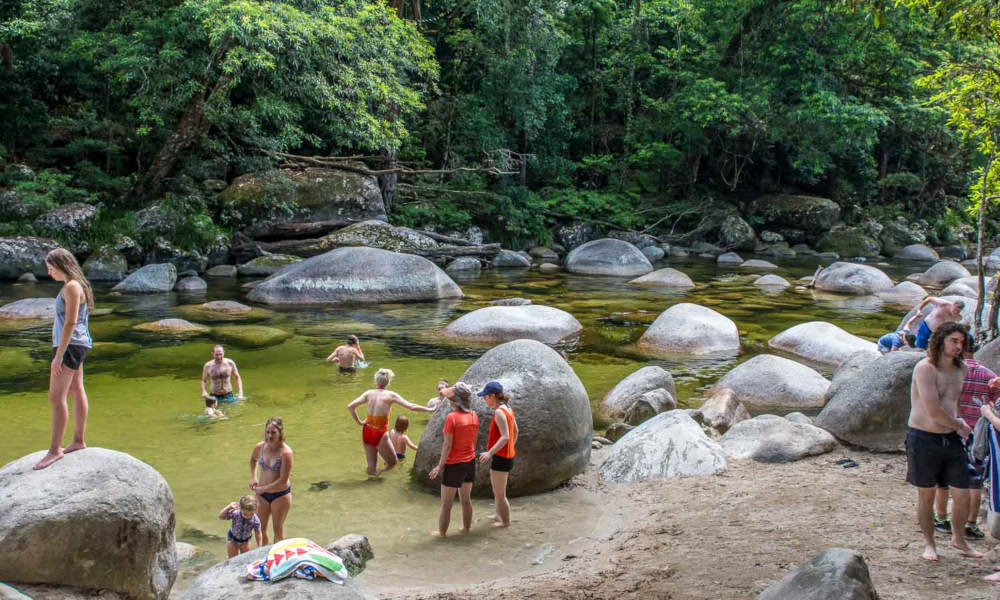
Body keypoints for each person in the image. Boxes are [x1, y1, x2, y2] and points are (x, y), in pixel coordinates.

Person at [906, 322, 980, 561]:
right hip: (923, 437)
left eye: (962, 342)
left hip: (951, 438)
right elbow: (933, 411)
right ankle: (929, 544)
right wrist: (960, 425)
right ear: (941, 340)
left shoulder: (961, 369)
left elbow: (953, 403)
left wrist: (958, 424)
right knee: (926, 494)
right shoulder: (925, 368)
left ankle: (959, 539)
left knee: (963, 492)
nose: (959, 346)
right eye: (954, 341)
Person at [932, 336, 1000, 540]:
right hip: (977, 437)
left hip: (950, 431)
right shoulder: (989, 375)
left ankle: (942, 519)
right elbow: (995, 406)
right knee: (974, 482)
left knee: (943, 479)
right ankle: (970, 525)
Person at [34, 248, 94, 470]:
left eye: (51, 269)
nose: (49, 273)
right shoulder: (78, 285)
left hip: (70, 346)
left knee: (55, 397)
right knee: (76, 391)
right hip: (78, 344)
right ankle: (78, 441)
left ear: (61, 265)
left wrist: (58, 356)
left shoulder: (71, 287)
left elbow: (69, 322)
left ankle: (54, 450)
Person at [347, 368, 434, 476]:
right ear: (388, 382)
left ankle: (371, 482)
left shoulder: (368, 393)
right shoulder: (390, 395)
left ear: (376, 381)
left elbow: (350, 406)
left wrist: (359, 422)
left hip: (367, 430)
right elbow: (412, 406)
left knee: (371, 466)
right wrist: (430, 409)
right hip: (380, 432)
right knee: (392, 463)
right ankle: (379, 475)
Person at [429, 382, 479, 537]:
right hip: (470, 462)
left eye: (450, 398)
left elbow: (447, 444)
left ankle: (442, 533)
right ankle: (466, 529)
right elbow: (474, 441)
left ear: (455, 401)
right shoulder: (473, 415)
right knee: (466, 500)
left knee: (446, 505)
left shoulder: (451, 418)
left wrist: (440, 465)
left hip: (454, 465)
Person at [477, 381, 518, 528]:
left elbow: (506, 436)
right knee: (497, 490)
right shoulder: (508, 408)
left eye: (485, 396)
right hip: (506, 456)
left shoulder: (499, 412)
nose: (484, 399)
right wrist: (510, 448)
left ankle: (506, 522)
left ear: (492, 396)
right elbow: (516, 432)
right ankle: (497, 514)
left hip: (502, 458)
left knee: (500, 494)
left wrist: (489, 452)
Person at [250, 417, 293, 545]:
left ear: (280, 433)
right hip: (261, 495)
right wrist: (253, 476)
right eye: (267, 432)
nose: (269, 435)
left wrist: (263, 488)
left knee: (277, 530)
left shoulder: (286, 453)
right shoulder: (260, 447)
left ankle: (279, 559)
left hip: (280, 495)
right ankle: (263, 557)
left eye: (273, 432)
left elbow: (283, 480)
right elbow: (253, 460)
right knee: (260, 528)